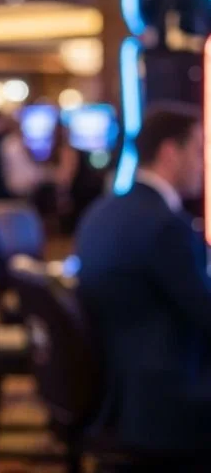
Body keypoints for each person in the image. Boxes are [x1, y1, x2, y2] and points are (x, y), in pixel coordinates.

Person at [76, 103, 211, 457]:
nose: (204, 163)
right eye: (198, 150)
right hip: (167, 397)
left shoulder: (102, 211)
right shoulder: (166, 226)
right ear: (170, 152)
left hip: (118, 392)